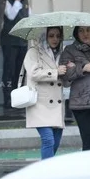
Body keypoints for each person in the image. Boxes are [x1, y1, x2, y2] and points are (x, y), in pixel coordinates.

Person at [23, 26, 67, 159]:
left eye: (58, 36)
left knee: (56, 142)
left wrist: (69, 70)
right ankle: (45, 173)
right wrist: (55, 72)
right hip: (40, 103)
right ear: (45, 36)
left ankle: (47, 169)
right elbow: (33, 74)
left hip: (56, 104)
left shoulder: (62, 53)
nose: (55, 39)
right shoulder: (33, 52)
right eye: (51, 35)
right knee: (48, 139)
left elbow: (64, 78)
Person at [1, 0, 32, 109]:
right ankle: (7, 99)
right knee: (9, 71)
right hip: (10, 42)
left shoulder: (26, 2)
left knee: (19, 72)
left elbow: (30, 18)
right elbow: (11, 15)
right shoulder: (7, 1)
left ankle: (18, 98)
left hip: (22, 42)